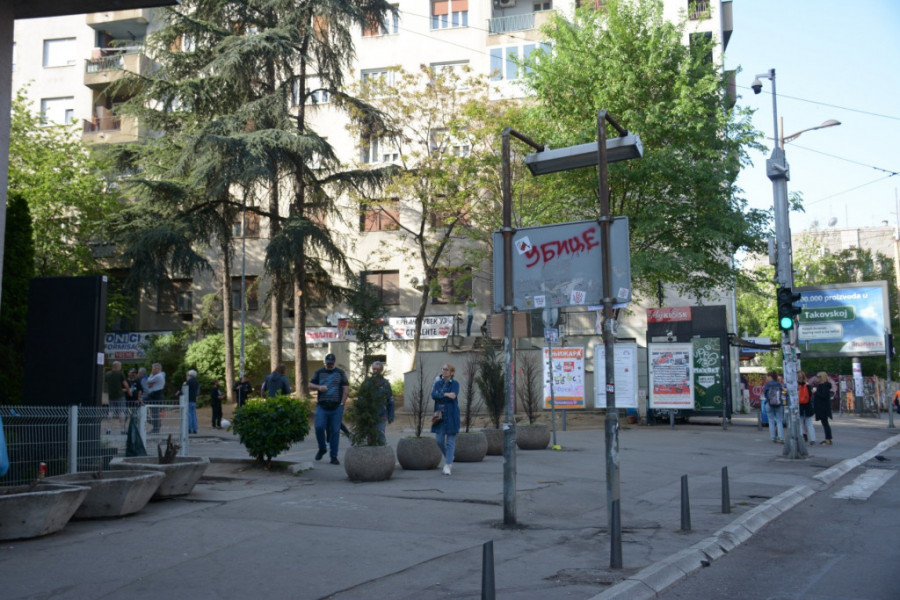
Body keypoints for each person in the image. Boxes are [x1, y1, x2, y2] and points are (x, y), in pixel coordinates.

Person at [309, 353, 349, 465]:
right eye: (328, 363)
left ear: (334, 363)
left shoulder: (340, 373)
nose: (329, 365)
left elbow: (345, 388)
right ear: (325, 362)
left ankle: (333, 456)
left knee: (335, 432)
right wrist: (319, 387)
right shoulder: (319, 372)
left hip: (336, 407)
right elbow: (310, 385)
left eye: (331, 363)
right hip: (322, 406)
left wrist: (342, 403)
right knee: (318, 427)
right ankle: (322, 448)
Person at [431, 363, 460, 476]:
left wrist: (442, 394)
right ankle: (449, 456)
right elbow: (433, 395)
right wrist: (446, 394)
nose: (444, 371)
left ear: (452, 372)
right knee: (439, 440)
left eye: (447, 369)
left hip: (451, 414)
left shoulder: (455, 384)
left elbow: (453, 395)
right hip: (440, 415)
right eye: (443, 369)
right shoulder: (438, 383)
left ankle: (448, 465)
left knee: (450, 441)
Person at [359, 361, 395, 445]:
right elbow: (361, 398)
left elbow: (390, 400)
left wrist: (391, 415)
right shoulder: (367, 383)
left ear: (381, 370)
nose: (375, 371)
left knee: (380, 435)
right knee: (370, 437)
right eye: (374, 369)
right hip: (369, 415)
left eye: (378, 369)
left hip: (381, 415)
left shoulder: (385, 384)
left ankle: (383, 451)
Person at [104, 361, 129, 434]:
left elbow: (106, 384)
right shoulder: (120, 374)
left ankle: (108, 429)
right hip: (120, 395)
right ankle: (122, 429)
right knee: (121, 412)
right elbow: (125, 384)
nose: (120, 367)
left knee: (111, 411)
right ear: (118, 366)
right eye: (120, 366)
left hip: (111, 395)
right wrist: (128, 389)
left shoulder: (107, 374)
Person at [762, 371, 784, 443]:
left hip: (769, 403)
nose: (767, 378)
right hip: (778, 403)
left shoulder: (767, 385)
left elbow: (765, 394)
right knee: (779, 421)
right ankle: (780, 437)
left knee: (771, 421)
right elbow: (782, 393)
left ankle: (773, 437)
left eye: (768, 377)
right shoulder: (779, 384)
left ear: (770, 377)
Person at [813, 371, 834, 446]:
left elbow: (823, 395)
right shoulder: (824, 385)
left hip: (823, 407)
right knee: (825, 423)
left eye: (818, 377)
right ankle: (828, 438)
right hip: (822, 406)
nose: (817, 378)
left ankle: (828, 439)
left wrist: (815, 392)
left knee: (825, 423)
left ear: (822, 378)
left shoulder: (824, 385)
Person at [145, 363, 166, 434]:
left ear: (158, 369)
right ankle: (156, 426)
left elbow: (148, 381)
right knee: (154, 413)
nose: (152, 370)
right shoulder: (158, 376)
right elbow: (149, 384)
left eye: (153, 369)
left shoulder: (158, 376)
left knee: (155, 413)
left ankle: (156, 427)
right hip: (154, 395)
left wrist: (151, 374)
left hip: (156, 396)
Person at [797, 371, 816, 445]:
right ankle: (813, 439)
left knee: (800, 423)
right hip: (808, 406)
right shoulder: (808, 386)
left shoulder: (796, 386)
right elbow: (810, 396)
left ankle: (801, 437)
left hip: (800, 406)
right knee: (809, 423)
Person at [185, 369, 200, 434]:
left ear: (190, 375)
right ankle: (195, 428)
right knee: (193, 414)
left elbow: (185, 390)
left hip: (188, 399)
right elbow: (198, 391)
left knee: (189, 414)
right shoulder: (196, 382)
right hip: (194, 399)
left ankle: (189, 428)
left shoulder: (188, 382)